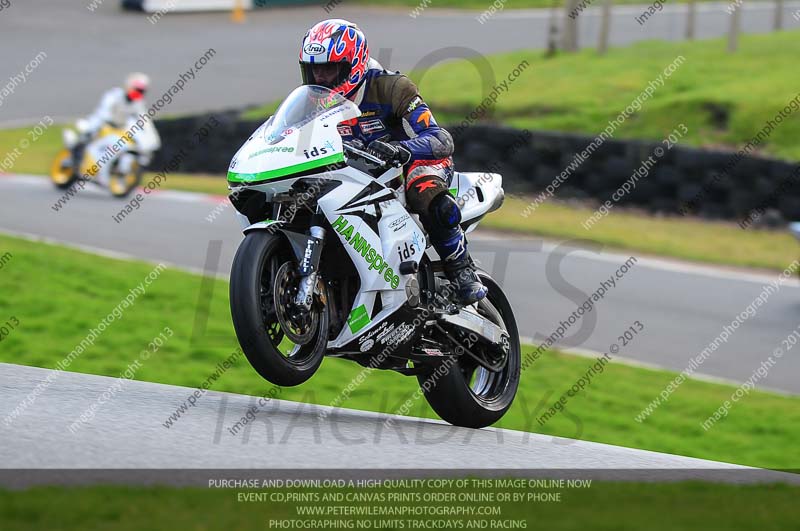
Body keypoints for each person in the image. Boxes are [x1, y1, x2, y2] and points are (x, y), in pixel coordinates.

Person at [299, 19, 487, 304]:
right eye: (314, 69)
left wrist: (401, 150)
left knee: (425, 188)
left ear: (353, 65)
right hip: (354, 176)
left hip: (406, 167)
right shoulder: (309, 102)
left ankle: (461, 268)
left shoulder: (392, 87)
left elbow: (440, 139)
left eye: (329, 68)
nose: (320, 77)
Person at [73, 73, 161, 181]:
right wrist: (100, 123)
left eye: (141, 91)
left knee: (131, 140)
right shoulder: (114, 95)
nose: (138, 93)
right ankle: (78, 158)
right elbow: (102, 112)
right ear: (129, 86)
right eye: (137, 90)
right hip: (103, 125)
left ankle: (113, 170)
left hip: (119, 130)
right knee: (87, 132)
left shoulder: (138, 104)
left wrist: (152, 141)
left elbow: (145, 121)